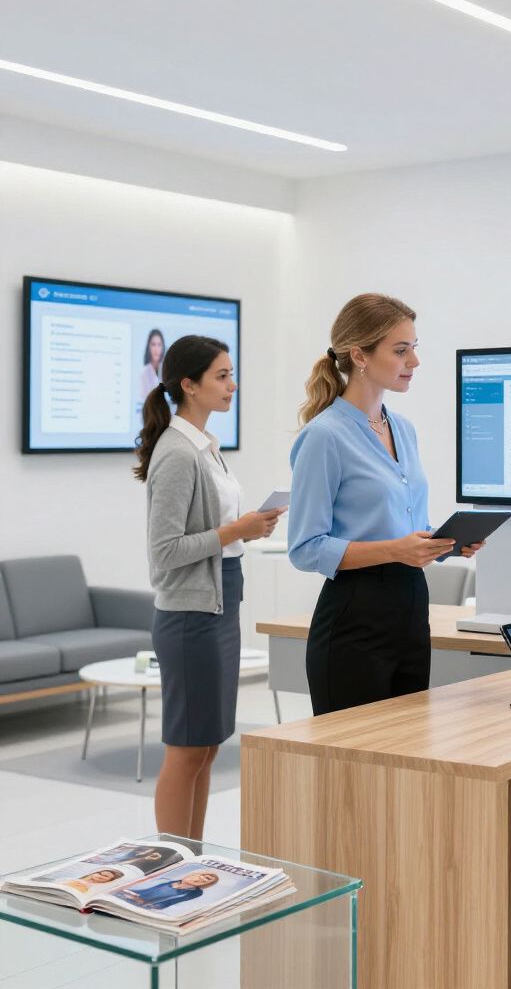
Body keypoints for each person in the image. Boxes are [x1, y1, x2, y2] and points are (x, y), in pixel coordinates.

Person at [288, 293, 484, 716]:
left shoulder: (405, 430)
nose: (413, 361)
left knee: (405, 764)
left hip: (411, 611)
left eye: (414, 348)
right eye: (400, 350)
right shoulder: (325, 437)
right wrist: (396, 550)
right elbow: (305, 548)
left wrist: (445, 544)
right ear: (359, 355)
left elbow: (405, 524)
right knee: (355, 775)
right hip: (354, 619)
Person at [134, 335, 285, 839]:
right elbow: (165, 552)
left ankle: (190, 857)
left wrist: (245, 528)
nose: (232, 385)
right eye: (222, 376)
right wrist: (236, 531)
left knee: (207, 744)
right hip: (190, 615)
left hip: (218, 603)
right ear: (189, 385)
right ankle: (170, 865)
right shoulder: (177, 453)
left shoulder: (205, 448)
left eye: (230, 373)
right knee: (186, 747)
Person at [118, 871, 219, 911]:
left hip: (145, 905)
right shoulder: (174, 881)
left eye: (206, 879)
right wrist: (131, 893)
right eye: (199, 875)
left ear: (205, 884)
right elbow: (149, 890)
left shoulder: (196, 892)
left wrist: (144, 902)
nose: (199, 878)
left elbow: (172, 902)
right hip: (136, 896)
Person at [139, 328, 165, 400]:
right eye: (153, 344)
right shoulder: (143, 373)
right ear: (149, 347)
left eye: (159, 345)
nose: (156, 348)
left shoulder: (166, 370)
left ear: (162, 347)